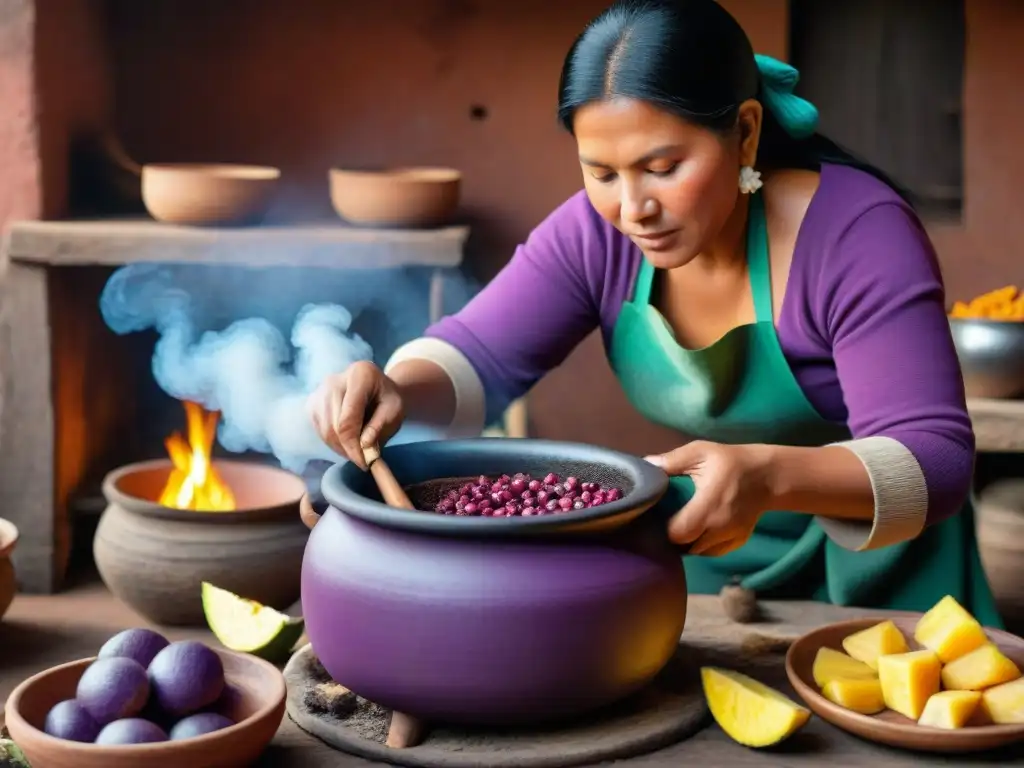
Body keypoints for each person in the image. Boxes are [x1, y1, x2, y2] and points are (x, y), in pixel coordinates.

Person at [307, 0, 1000, 624]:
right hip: (707, 555)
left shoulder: (854, 232)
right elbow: (478, 357)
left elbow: (933, 458)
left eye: (663, 167)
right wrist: (397, 389)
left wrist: (766, 477)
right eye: (601, 172)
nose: (632, 208)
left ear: (747, 134)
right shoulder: (595, 233)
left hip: (892, 582)